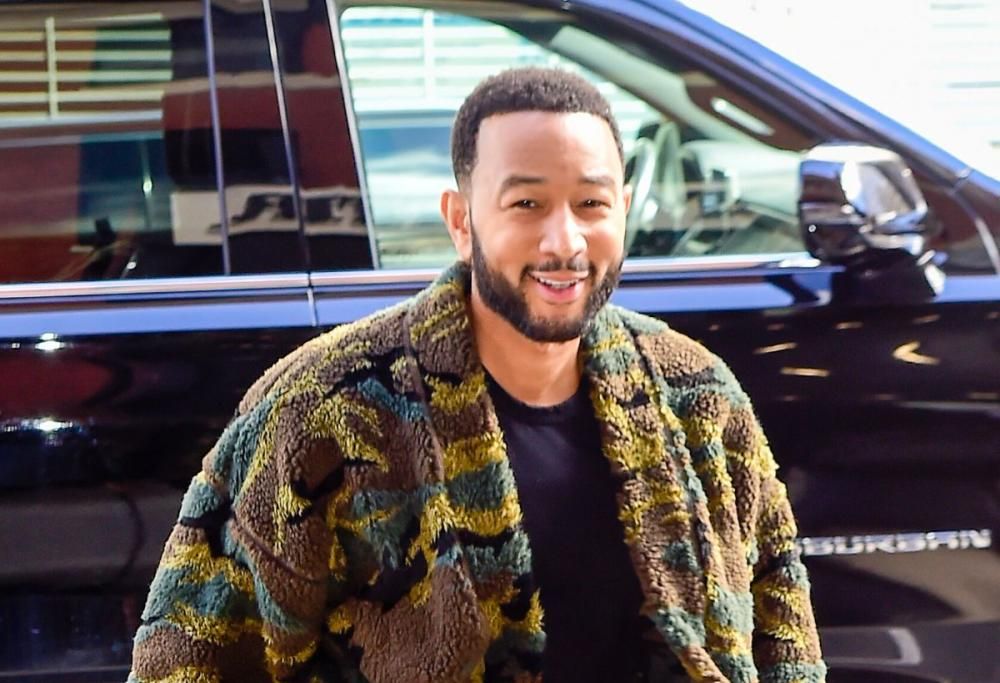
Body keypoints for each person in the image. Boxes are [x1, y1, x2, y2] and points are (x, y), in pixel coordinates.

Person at [129, 67, 825, 683]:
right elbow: (186, 659)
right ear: (462, 221)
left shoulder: (695, 395)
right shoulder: (325, 409)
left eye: (591, 203)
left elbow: (782, 624)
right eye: (527, 204)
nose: (564, 241)